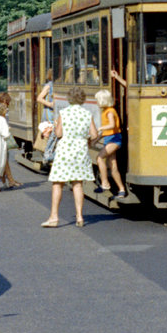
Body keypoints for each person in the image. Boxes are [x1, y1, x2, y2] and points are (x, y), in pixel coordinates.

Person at [41, 87, 98, 228]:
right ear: (83, 99)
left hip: (65, 150)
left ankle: (54, 217)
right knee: (77, 184)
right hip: (80, 150)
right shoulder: (87, 114)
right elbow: (95, 134)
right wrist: (88, 141)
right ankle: (79, 216)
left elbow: (59, 134)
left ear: (69, 99)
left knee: (57, 183)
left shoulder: (64, 113)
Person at [93, 89, 127, 198]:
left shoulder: (110, 112)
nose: (97, 102)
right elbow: (106, 132)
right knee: (113, 166)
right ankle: (121, 190)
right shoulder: (106, 111)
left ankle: (105, 183)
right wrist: (96, 139)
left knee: (99, 158)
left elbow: (112, 126)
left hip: (114, 140)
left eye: (98, 100)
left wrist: (100, 128)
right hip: (110, 139)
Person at [0, 91, 22, 188]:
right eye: (8, 101)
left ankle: (6, 179)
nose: (9, 104)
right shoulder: (3, 109)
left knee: (4, 159)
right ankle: (8, 180)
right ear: (5, 100)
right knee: (4, 159)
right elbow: (1, 123)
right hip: (1, 138)